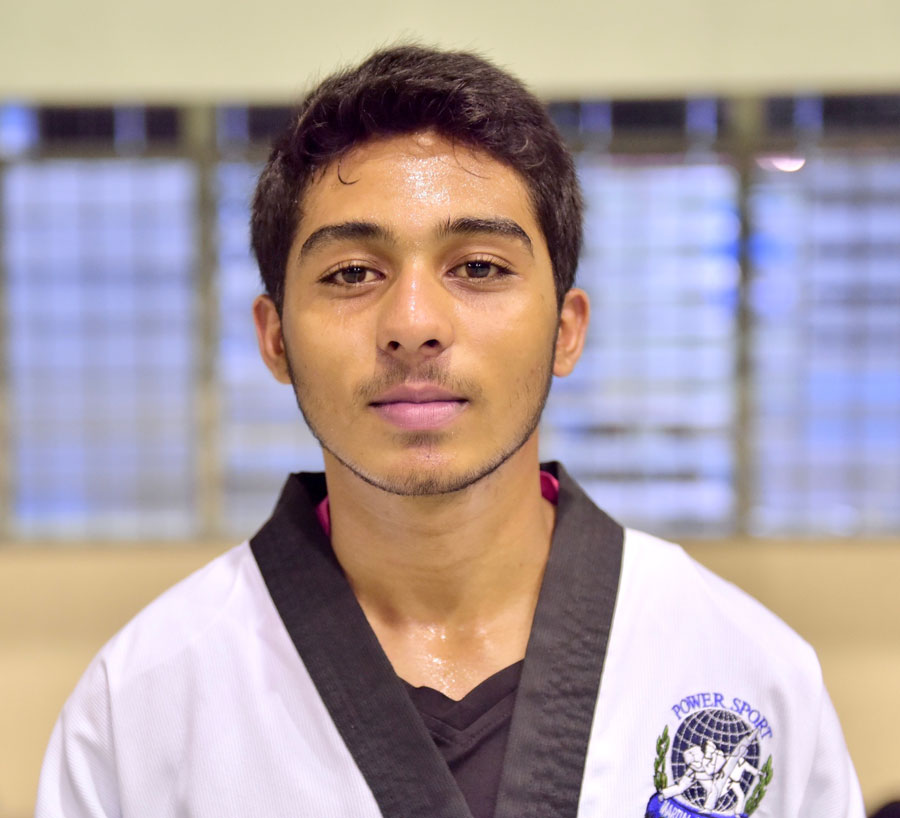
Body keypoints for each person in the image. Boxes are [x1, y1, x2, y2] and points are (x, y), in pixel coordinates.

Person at [36, 45, 864, 818]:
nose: (414, 324)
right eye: (352, 273)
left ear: (566, 330)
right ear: (275, 338)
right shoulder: (139, 711)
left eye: (478, 267)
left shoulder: (749, 671)